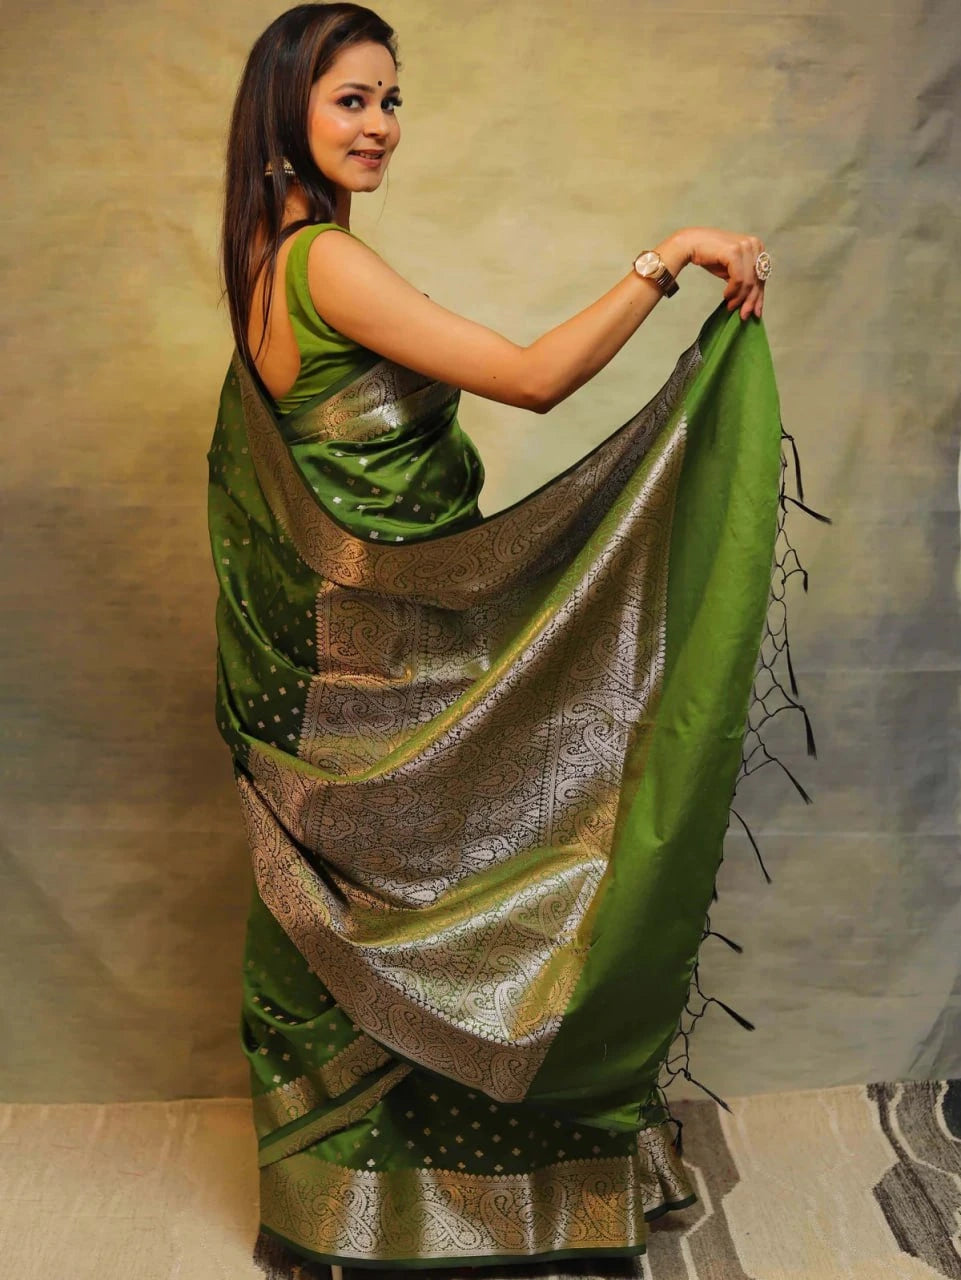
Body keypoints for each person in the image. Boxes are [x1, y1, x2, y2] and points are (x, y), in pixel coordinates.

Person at [208, 5, 809, 1279]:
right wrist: (664, 258)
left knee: (370, 920)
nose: (379, 125)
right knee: (519, 855)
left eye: (390, 98)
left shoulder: (266, 253)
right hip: (382, 666)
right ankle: (481, 1190)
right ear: (286, 116)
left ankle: (349, 1216)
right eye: (349, 101)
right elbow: (532, 378)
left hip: (345, 661)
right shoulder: (320, 263)